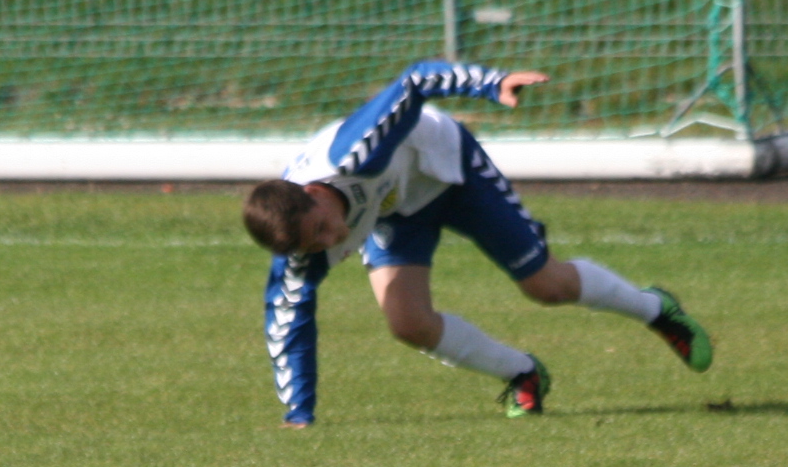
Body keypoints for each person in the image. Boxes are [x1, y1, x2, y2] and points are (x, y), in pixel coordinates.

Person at [242, 60, 714, 423]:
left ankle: (656, 310)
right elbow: (286, 321)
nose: (333, 240)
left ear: (312, 193)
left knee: (546, 286)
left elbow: (415, 82)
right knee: (408, 322)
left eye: (323, 229)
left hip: (449, 168)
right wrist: (299, 414)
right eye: (316, 244)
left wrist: (491, 83)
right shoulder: (301, 248)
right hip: (396, 207)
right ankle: (523, 374)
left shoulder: (354, 152)